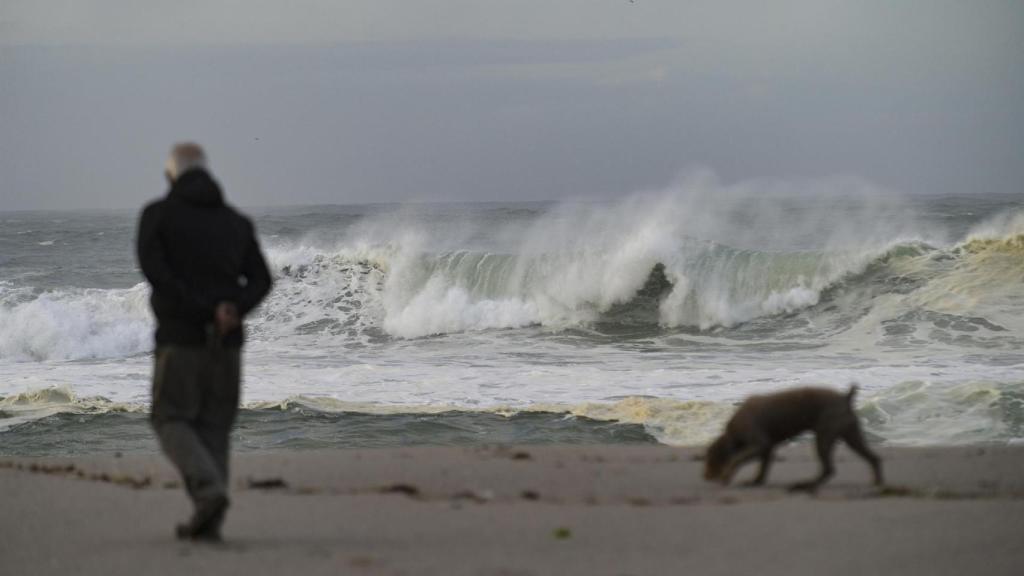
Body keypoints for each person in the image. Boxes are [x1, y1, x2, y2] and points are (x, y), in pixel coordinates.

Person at [136, 143, 272, 541]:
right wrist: (232, 308)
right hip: (227, 346)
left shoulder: (157, 216)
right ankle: (209, 521)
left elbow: (156, 272)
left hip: (181, 340)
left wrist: (201, 308)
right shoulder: (236, 222)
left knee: (169, 418)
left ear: (171, 175)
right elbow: (262, 280)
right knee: (214, 426)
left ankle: (209, 494)